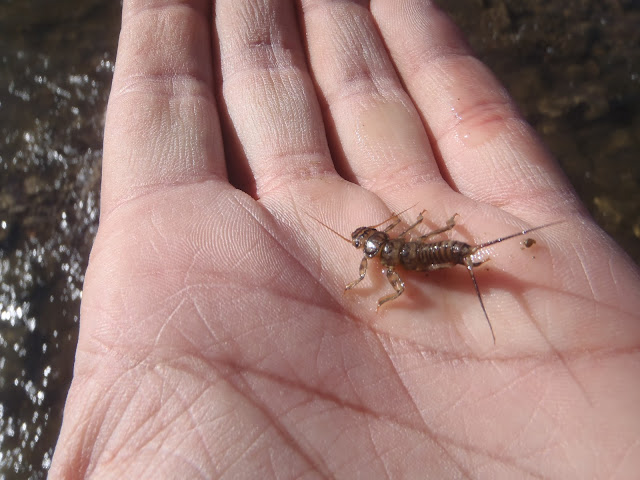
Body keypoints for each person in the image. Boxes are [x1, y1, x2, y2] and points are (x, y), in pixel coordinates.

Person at [50, 1, 640, 478]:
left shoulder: (386, 261)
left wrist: (375, 294)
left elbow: (395, 286)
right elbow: (399, 246)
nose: (364, 248)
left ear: (372, 244)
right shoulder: (390, 244)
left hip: (433, 256)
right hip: (436, 253)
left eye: (365, 245)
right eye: (366, 245)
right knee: (444, 250)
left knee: (438, 254)